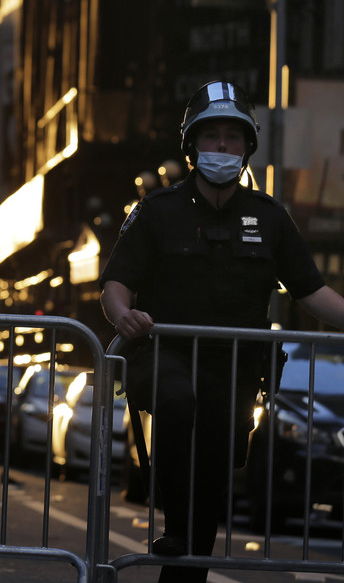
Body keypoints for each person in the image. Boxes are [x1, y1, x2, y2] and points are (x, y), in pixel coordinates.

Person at [99, 80, 344, 583]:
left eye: (234, 137)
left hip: (234, 366)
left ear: (248, 146)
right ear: (192, 146)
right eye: (213, 136)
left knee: (216, 455)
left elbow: (312, 293)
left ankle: (186, 566)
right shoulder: (157, 211)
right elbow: (115, 285)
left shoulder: (270, 217)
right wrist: (122, 313)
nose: (224, 147)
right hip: (165, 355)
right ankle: (174, 524)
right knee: (176, 400)